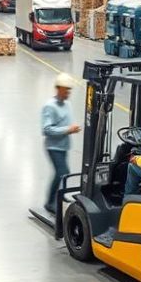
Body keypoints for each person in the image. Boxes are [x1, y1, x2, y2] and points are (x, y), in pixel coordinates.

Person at [41, 73, 81, 211]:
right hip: (53, 147)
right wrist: (68, 130)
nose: (68, 92)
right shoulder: (50, 106)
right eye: (66, 89)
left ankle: (60, 196)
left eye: (69, 90)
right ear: (58, 89)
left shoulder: (67, 104)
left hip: (63, 146)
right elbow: (46, 130)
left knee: (65, 172)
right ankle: (50, 202)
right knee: (61, 172)